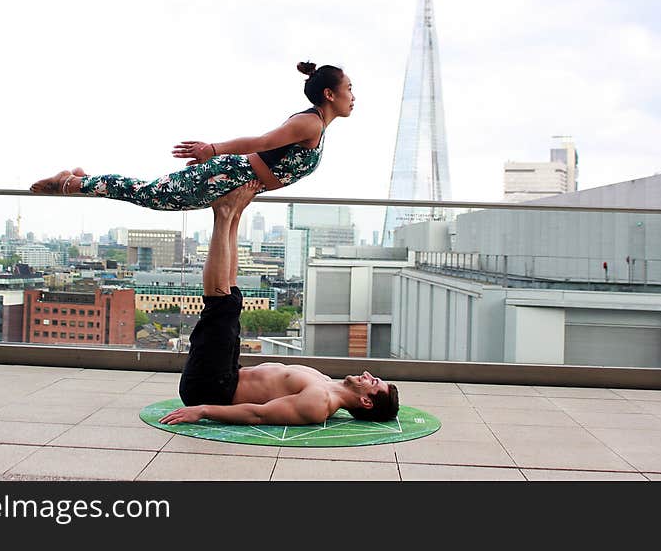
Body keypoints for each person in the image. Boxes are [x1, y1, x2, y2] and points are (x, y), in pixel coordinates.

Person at [158, 181, 399, 426]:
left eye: (373, 383)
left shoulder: (318, 404)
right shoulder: (325, 382)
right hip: (228, 372)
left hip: (209, 387)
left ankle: (222, 212)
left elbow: (258, 414)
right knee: (232, 297)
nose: (368, 375)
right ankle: (234, 213)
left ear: (367, 402)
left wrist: (202, 411)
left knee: (222, 305)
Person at [29, 61, 355, 209]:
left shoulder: (317, 126)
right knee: (151, 194)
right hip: (226, 174)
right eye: (349, 89)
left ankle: (81, 181)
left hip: (233, 179)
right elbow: (262, 143)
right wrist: (212, 149)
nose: (353, 97)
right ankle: (71, 183)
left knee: (151, 195)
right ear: (329, 94)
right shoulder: (311, 124)